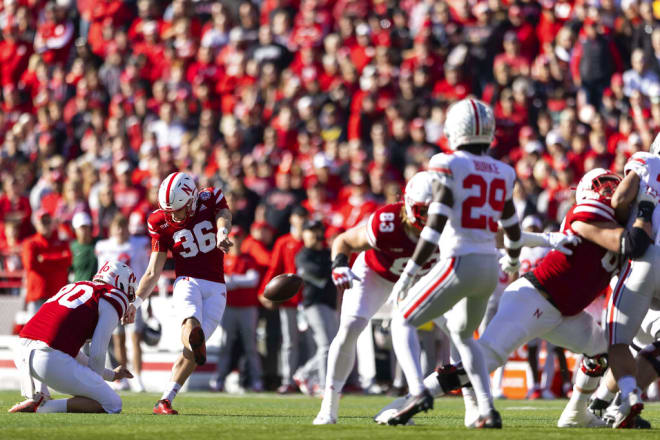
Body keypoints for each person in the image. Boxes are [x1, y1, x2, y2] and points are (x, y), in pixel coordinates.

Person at [377, 167, 655, 429]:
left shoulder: (620, 226)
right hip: (533, 299)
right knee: (483, 362)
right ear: (587, 193)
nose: (608, 191)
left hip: (565, 313)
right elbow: (629, 243)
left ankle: (575, 414)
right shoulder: (587, 215)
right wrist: (645, 207)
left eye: (612, 186)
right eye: (602, 187)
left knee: (601, 353)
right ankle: (406, 402)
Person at [385, 99, 523, 428]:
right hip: (490, 267)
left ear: (453, 129)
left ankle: (418, 391)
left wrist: (409, 272)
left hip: (460, 259)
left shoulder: (447, 163)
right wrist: (514, 260)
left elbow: (435, 225)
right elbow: (513, 227)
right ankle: (487, 411)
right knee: (464, 335)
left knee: (401, 321)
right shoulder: (504, 171)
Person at [124, 171, 232, 415]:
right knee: (191, 324)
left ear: (192, 200)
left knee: (191, 353)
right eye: (169, 210)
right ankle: (195, 340)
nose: (173, 215)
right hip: (188, 280)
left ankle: (165, 400)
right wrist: (135, 303)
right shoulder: (159, 221)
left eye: (178, 209)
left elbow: (224, 213)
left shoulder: (209, 197)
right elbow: (153, 271)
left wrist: (222, 232)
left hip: (216, 287)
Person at [9, 261, 136, 413]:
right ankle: (42, 407)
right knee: (112, 404)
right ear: (120, 283)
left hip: (22, 351)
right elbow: (97, 351)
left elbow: (71, 352)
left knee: (96, 394)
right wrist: (96, 384)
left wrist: (111, 375)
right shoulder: (113, 295)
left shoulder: (74, 286)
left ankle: (37, 399)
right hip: (47, 357)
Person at [597, 133, 660, 427]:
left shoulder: (647, 161)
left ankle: (599, 402)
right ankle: (619, 408)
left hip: (644, 256)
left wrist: (624, 229)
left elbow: (620, 198)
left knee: (619, 340)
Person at [95, 213, 150, 392]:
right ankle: (122, 377)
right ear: (111, 229)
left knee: (135, 338)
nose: (120, 230)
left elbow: (145, 269)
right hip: (113, 298)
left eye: (123, 226)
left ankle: (139, 377)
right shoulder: (104, 246)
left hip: (133, 297)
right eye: (116, 227)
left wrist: (145, 298)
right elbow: (100, 273)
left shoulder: (138, 244)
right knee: (118, 339)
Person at [259, 206, 307, 394]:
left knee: (312, 343)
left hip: (309, 300)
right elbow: (274, 268)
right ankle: (288, 379)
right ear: (292, 220)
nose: (301, 220)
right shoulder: (284, 242)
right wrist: (265, 291)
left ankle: (309, 378)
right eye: (298, 217)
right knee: (289, 342)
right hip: (289, 299)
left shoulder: (312, 239)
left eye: (303, 217)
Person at [211, 225, 263, 392]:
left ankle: (256, 380)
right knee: (226, 344)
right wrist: (237, 281)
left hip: (248, 307)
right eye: (234, 238)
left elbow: (253, 280)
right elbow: (221, 281)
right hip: (229, 307)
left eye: (239, 238)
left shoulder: (249, 259)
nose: (236, 241)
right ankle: (219, 380)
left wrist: (233, 280)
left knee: (251, 346)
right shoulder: (222, 258)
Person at [294, 219, 338, 396]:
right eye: (311, 231)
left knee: (332, 346)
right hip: (312, 303)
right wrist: (331, 267)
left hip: (329, 302)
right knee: (325, 345)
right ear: (304, 234)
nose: (315, 234)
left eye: (318, 230)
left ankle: (303, 373)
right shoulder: (303, 255)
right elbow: (319, 275)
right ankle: (323, 384)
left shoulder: (328, 253)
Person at [21, 209, 72, 317]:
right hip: (38, 294)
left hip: (57, 296)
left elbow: (68, 260)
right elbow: (30, 264)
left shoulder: (61, 242)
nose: (46, 225)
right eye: (43, 222)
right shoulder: (30, 243)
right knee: (35, 331)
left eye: (48, 221)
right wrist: (58, 260)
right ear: (36, 224)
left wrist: (44, 259)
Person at [70, 211, 97, 282]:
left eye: (86, 227)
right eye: (81, 228)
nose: (84, 230)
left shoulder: (100, 244)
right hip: (79, 289)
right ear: (75, 230)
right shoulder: (72, 248)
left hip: (98, 288)